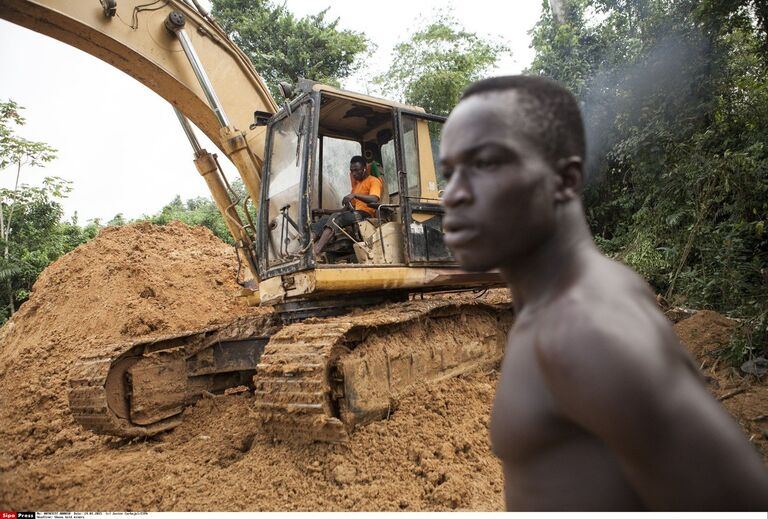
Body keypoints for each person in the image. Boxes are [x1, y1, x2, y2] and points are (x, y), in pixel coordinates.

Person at [439, 75, 768, 511]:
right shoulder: (554, 307)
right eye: (449, 172)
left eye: (486, 163)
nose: (454, 194)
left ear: (565, 179)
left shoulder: (585, 331)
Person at [312, 155, 382, 255]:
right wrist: (324, 211)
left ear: (365, 168)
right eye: (352, 170)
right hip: (355, 213)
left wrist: (354, 195)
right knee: (324, 219)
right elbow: (344, 210)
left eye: (356, 170)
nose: (353, 173)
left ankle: (316, 250)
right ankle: (307, 248)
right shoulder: (357, 186)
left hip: (365, 215)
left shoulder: (374, 181)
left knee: (335, 218)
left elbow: (374, 199)